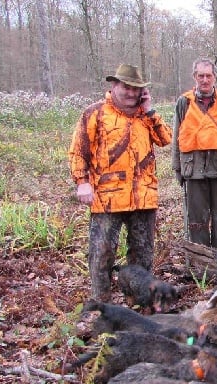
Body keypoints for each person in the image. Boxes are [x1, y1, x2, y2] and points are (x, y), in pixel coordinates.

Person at [68, 64, 172, 302]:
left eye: (136, 89)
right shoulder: (95, 113)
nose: (131, 93)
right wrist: (82, 182)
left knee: (143, 254)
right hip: (107, 197)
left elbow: (165, 138)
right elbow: (78, 151)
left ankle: (138, 301)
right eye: (126, 87)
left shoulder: (145, 116)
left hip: (143, 198)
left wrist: (149, 110)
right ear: (114, 86)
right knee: (102, 252)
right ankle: (101, 304)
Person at [171, 57, 217, 248]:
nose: (204, 80)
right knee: (197, 221)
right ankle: (200, 261)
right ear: (194, 76)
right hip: (194, 170)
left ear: (214, 78)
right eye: (201, 76)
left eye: (208, 76)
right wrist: (178, 169)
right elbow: (176, 138)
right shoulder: (183, 102)